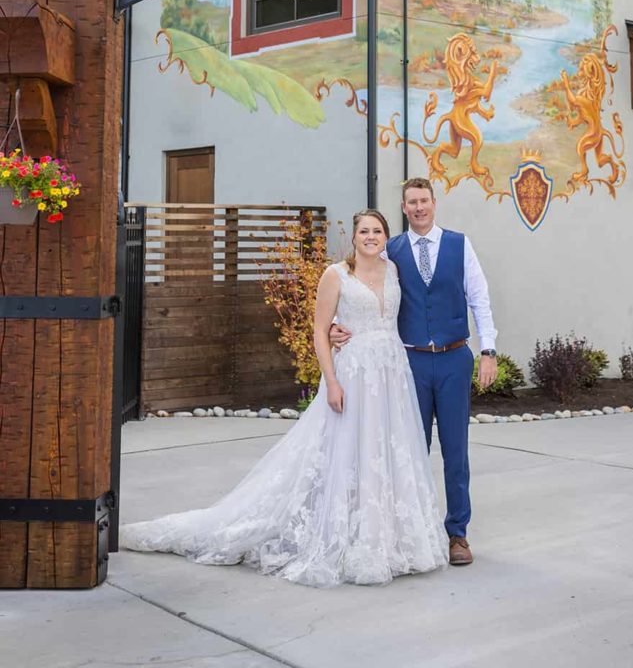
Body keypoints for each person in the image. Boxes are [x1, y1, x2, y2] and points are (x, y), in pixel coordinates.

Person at [119, 209, 448, 588]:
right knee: (343, 453)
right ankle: (341, 534)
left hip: (391, 373)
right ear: (354, 237)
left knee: (385, 452)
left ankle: (387, 537)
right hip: (353, 374)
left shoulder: (393, 271)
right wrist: (333, 382)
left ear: (386, 236)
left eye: (377, 231)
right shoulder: (336, 274)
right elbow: (320, 332)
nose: (370, 237)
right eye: (364, 231)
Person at [331, 177, 498, 567]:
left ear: (434, 204)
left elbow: (480, 298)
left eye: (424, 201)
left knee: (456, 451)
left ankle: (457, 533)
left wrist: (488, 349)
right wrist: (338, 323)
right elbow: (363, 287)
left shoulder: (460, 244)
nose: (419, 208)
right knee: (409, 449)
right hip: (411, 362)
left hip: (455, 359)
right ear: (404, 208)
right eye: (411, 202)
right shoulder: (391, 251)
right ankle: (411, 531)